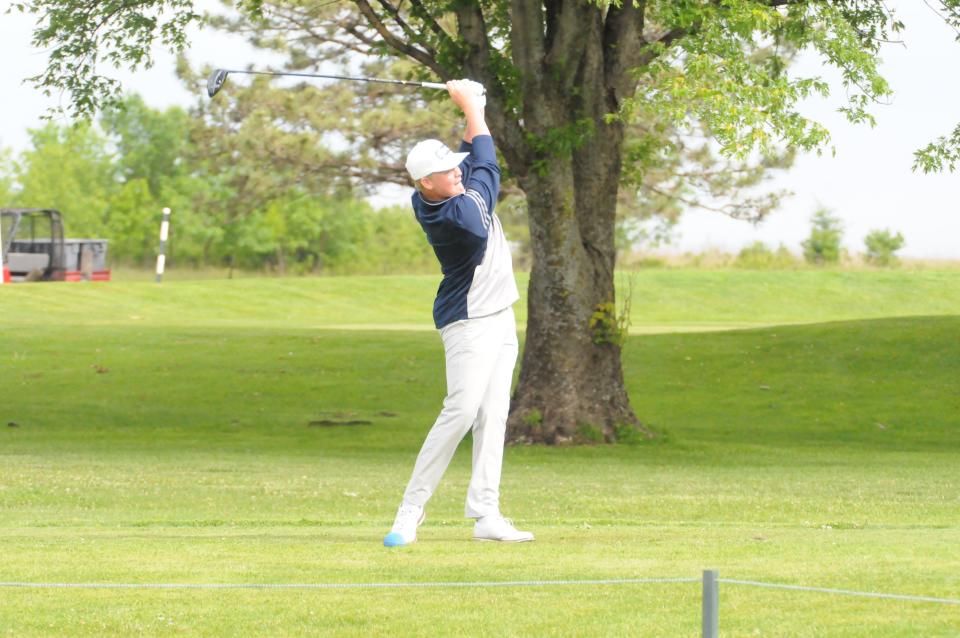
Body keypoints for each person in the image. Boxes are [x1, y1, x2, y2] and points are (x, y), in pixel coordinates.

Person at [383, 79, 534, 547]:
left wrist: (476, 107)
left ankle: (486, 513)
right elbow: (486, 159)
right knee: (462, 409)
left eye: (455, 166)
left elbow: (471, 152)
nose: (459, 172)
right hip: (468, 319)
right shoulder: (460, 216)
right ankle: (411, 508)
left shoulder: (440, 189)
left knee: (494, 413)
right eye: (449, 172)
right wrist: (471, 105)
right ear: (429, 184)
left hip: (500, 314)